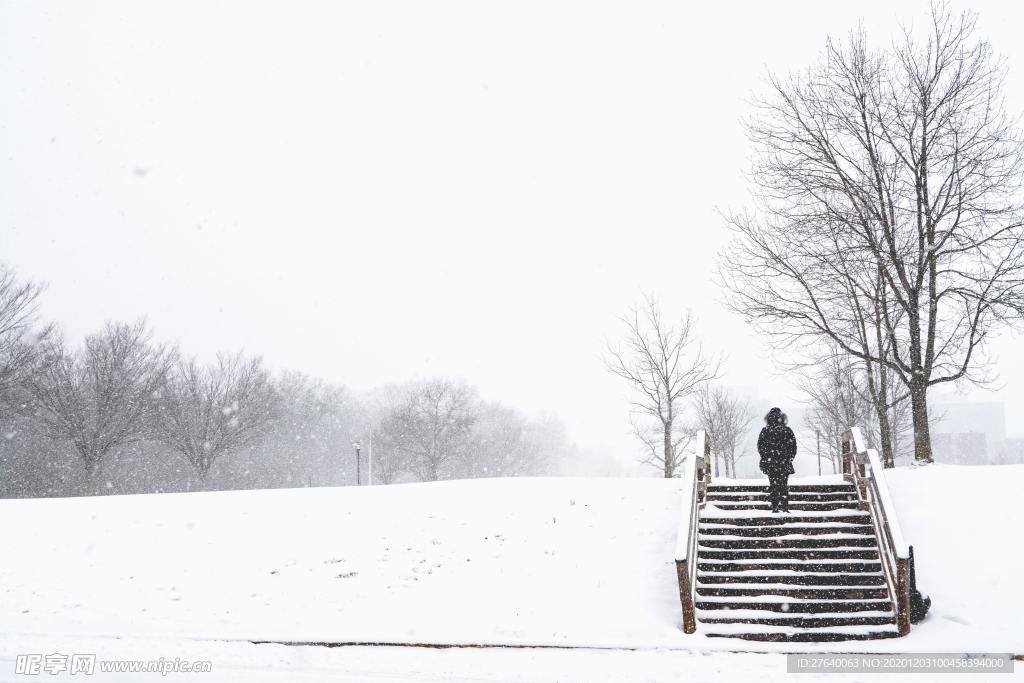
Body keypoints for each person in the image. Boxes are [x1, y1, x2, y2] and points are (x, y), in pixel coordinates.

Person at [757, 407, 797, 513]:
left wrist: (766, 457)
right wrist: (788, 459)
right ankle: (785, 507)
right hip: (784, 463)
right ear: (782, 417)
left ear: (768, 418)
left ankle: (775, 507)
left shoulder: (765, 430)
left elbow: (760, 447)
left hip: (771, 463)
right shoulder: (787, 430)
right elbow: (793, 447)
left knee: (773, 485)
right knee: (784, 485)